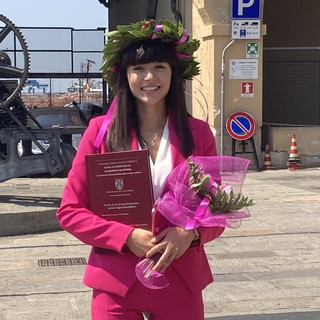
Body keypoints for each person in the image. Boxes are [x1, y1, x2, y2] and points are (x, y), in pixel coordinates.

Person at [57, 20, 224, 320]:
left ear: (175, 73)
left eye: (159, 66)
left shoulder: (197, 134)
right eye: (138, 69)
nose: (149, 77)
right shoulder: (100, 134)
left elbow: (217, 208)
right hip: (116, 281)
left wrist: (190, 233)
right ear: (125, 76)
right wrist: (124, 237)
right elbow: (70, 211)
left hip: (180, 275)